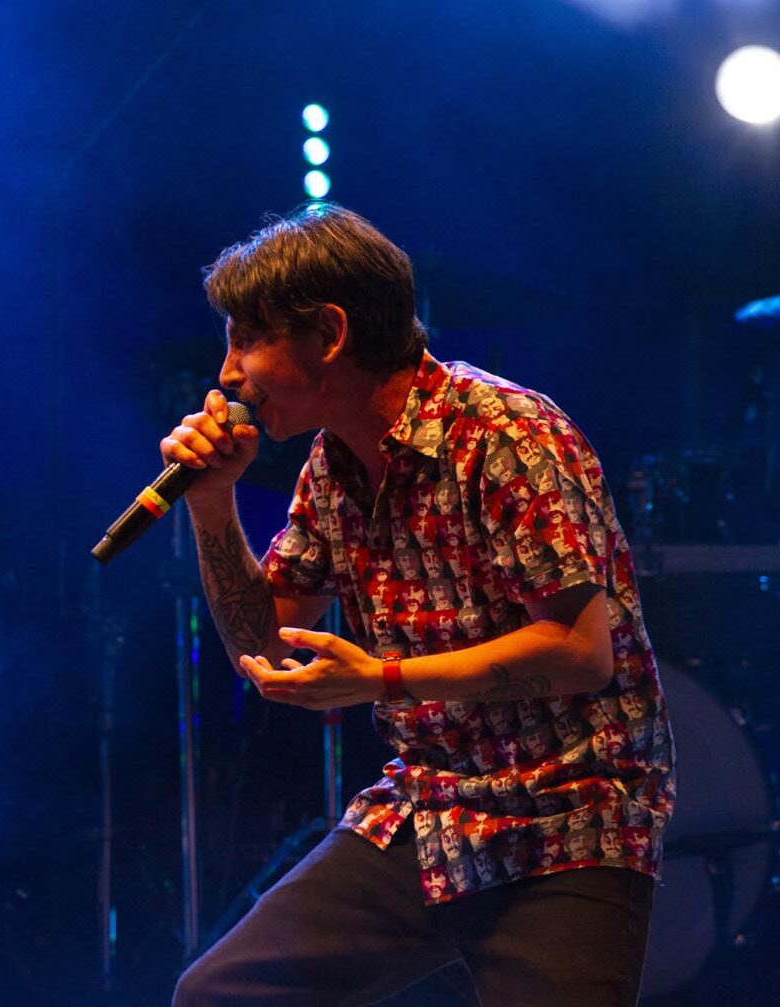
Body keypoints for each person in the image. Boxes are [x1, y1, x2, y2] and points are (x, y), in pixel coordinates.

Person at [163, 205, 673, 1006]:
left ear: (328, 334)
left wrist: (385, 678)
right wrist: (210, 504)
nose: (228, 371)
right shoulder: (333, 468)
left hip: (568, 814)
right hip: (431, 806)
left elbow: (582, 651)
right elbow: (263, 644)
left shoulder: (505, 431)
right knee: (223, 993)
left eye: (247, 339)